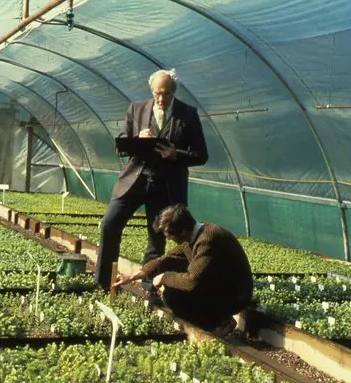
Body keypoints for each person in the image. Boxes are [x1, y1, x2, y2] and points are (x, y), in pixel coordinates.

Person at [94, 69, 209, 292]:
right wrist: (138, 140)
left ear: (174, 91)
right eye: (157, 93)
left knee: (156, 238)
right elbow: (121, 145)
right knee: (109, 223)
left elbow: (202, 154)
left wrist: (178, 155)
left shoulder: (188, 113)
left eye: (165, 93)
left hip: (165, 185)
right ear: (151, 91)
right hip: (134, 180)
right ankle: (103, 282)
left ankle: (149, 287)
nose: (160, 98)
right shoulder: (136, 109)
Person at [113, 204, 253, 335]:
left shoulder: (208, 239)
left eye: (171, 237)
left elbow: (192, 281)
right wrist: (132, 276)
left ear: (184, 231)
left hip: (235, 295)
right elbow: (167, 259)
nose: (169, 240)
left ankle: (219, 322)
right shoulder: (193, 236)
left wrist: (164, 277)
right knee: (174, 281)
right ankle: (217, 319)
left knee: (174, 295)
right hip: (218, 285)